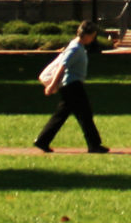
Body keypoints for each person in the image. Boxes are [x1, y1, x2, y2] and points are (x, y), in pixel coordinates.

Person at [34, 20, 116, 154]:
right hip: (72, 86)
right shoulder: (75, 48)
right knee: (85, 114)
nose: (93, 39)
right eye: (93, 35)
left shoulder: (77, 46)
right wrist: (52, 85)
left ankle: (43, 140)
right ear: (87, 35)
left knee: (62, 115)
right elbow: (62, 67)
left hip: (72, 85)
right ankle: (94, 145)